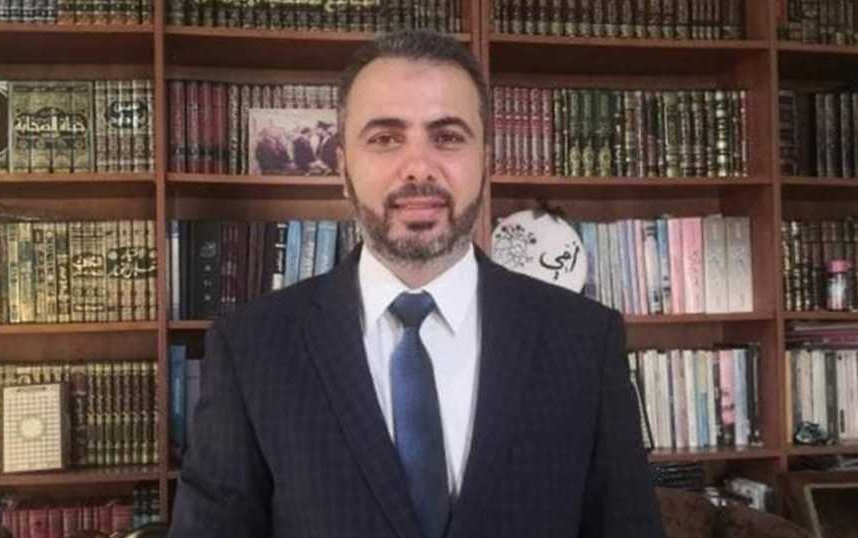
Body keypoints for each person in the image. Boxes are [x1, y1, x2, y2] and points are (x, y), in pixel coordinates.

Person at [169, 29, 665, 538]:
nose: (419, 168)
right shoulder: (251, 347)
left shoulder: (585, 340)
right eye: (385, 138)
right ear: (342, 166)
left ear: (486, 159)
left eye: (447, 137)